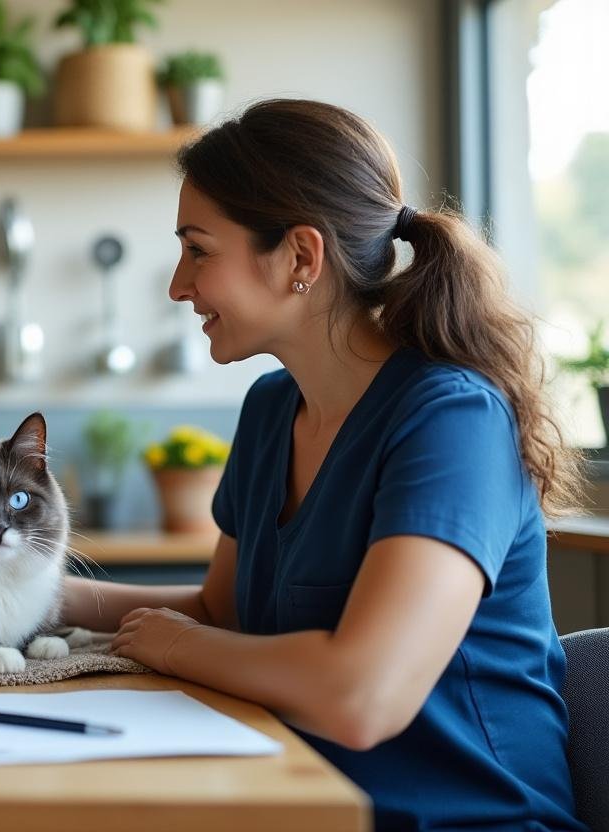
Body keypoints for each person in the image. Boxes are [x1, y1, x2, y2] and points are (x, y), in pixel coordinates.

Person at [62, 99, 587, 831]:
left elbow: (362, 697)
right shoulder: (273, 407)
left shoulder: (453, 421)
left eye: (199, 250)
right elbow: (224, 612)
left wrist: (178, 645)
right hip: (301, 802)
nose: (180, 286)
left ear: (302, 257)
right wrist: (33, 596)